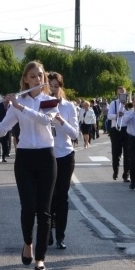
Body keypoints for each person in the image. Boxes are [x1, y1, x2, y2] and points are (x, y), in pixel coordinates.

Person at [0, 60, 57, 270]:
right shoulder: (18, 102)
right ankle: (28, 243)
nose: (38, 79)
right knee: (28, 207)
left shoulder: (49, 100)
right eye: (33, 76)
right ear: (26, 79)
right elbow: (1, 131)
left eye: (40, 76)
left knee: (44, 211)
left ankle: (41, 257)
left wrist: (19, 106)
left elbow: (45, 121)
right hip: (25, 158)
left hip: (46, 157)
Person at [47, 71, 79, 250]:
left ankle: (60, 235)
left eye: (56, 86)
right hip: (47, 155)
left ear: (61, 87)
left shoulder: (69, 107)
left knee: (62, 197)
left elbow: (74, 134)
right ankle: (48, 229)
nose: (53, 90)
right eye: (50, 86)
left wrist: (60, 120)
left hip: (65, 155)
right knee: (48, 197)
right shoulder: (42, 105)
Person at [107, 86, 130, 182]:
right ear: (117, 94)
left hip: (127, 130)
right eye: (119, 93)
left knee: (128, 153)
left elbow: (133, 115)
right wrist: (117, 115)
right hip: (116, 130)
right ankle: (115, 171)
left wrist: (127, 108)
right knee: (116, 153)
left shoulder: (129, 104)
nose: (121, 95)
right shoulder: (114, 103)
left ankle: (126, 175)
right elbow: (109, 116)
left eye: (123, 93)